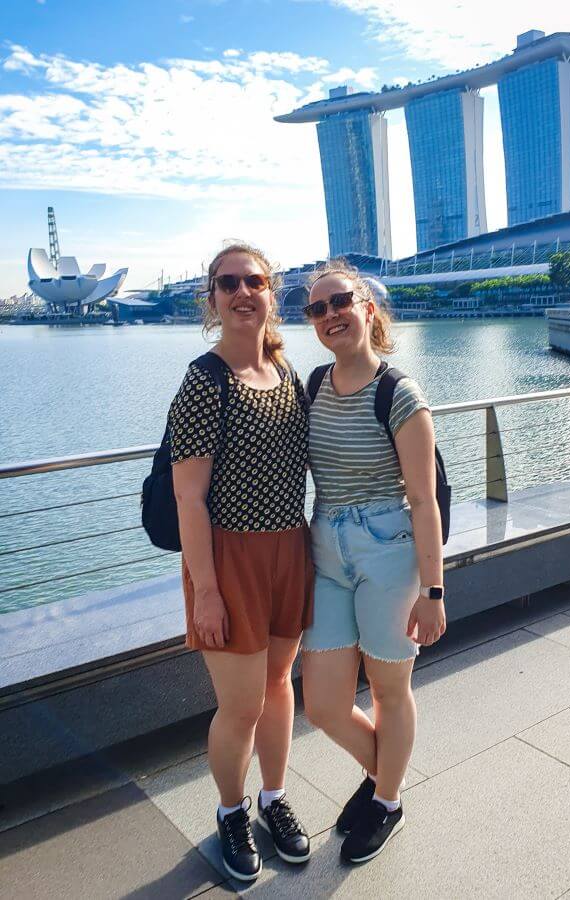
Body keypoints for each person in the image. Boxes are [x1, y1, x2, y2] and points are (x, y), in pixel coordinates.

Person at [169, 243, 313, 881]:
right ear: (213, 298)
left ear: (272, 291)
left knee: (281, 686)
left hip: (290, 547)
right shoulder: (205, 380)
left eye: (254, 280)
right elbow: (188, 497)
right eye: (228, 283)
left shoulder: (285, 370)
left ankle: (272, 797)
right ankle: (232, 810)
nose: (242, 291)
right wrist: (205, 592)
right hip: (228, 557)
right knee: (240, 706)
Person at [301, 260, 446, 864]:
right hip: (326, 545)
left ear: (367, 308)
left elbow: (423, 499)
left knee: (389, 689)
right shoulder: (312, 384)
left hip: (389, 548)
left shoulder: (400, 392)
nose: (331, 314)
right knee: (325, 703)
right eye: (317, 308)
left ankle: (386, 800)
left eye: (341, 301)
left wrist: (432, 592)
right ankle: (385, 777)